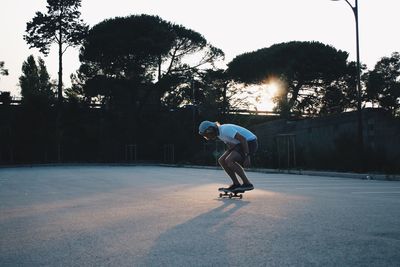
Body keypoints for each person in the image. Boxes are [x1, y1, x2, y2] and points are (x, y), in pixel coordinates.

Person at [199, 121, 258, 191]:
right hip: (240, 144)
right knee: (221, 160)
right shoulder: (219, 134)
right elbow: (231, 146)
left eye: (207, 135)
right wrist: (227, 155)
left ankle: (247, 184)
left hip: (250, 142)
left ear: (211, 130)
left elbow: (243, 139)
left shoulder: (225, 129)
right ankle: (236, 184)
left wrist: (247, 156)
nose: (208, 138)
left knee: (229, 160)